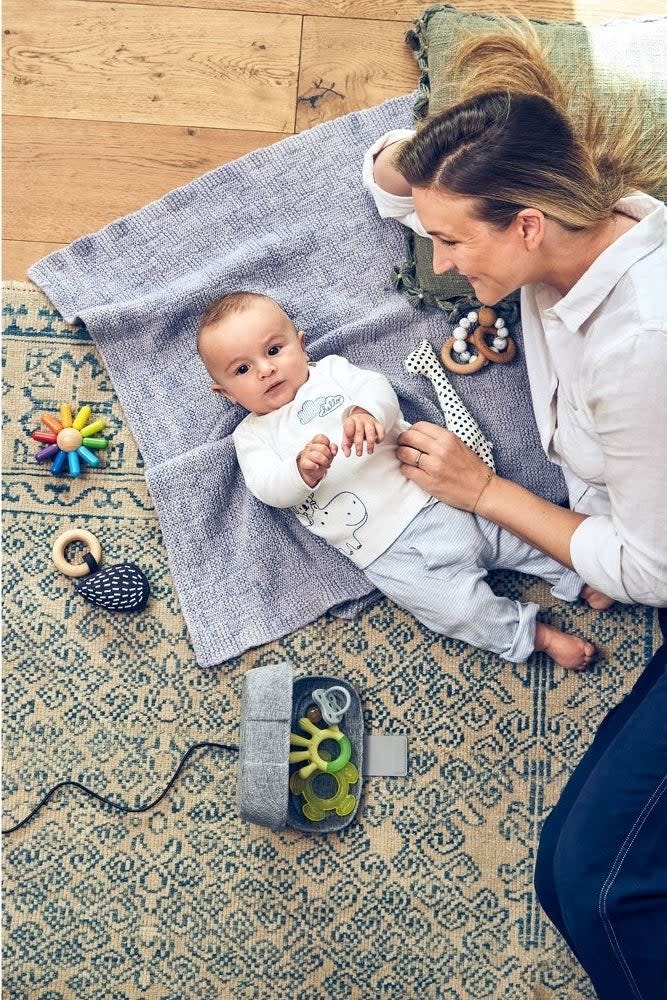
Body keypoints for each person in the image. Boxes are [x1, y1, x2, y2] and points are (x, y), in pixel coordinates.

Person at [363, 22, 667, 1000]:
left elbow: (653, 565)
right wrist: (419, 167)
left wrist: (482, 493)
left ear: (524, 226)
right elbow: (389, 187)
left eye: (452, 242)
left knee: (597, 889)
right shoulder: (556, 218)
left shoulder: (639, 347)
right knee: (572, 876)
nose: (441, 263)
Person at [197, 290, 612, 670]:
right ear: (226, 393)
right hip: (388, 553)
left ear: (301, 345)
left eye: (274, 349)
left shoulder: (333, 374)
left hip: (437, 496)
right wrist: (299, 471)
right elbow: (268, 488)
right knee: (454, 611)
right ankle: (535, 637)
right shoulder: (251, 436)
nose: (266, 369)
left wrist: (364, 412)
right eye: (243, 369)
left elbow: (381, 392)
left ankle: (578, 573)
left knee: (522, 534)